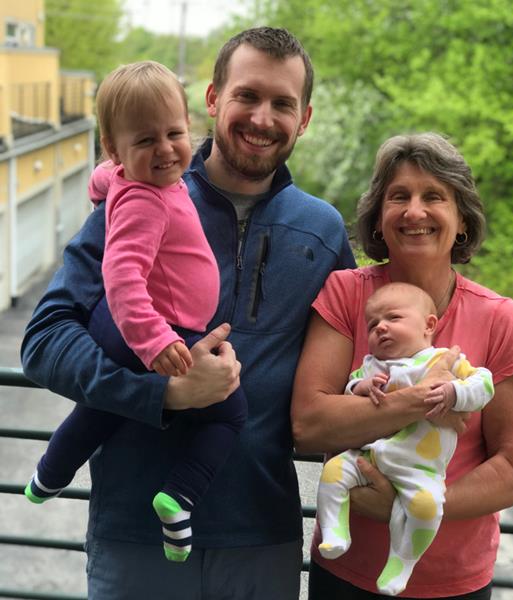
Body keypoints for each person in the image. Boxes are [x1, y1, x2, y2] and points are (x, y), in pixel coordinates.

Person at [20, 27, 356, 600]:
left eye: (282, 103)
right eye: (247, 95)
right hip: (134, 536)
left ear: (304, 119)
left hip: (262, 538)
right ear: (213, 99)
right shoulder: (138, 194)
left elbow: (359, 366)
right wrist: (162, 395)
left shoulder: (322, 231)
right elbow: (45, 342)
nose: (262, 117)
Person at [24, 60, 248, 564]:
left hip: (135, 328)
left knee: (101, 408)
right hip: (149, 327)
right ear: (114, 146)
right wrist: (155, 343)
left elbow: (106, 181)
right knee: (231, 413)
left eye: (174, 133)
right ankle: (180, 498)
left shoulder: (130, 181)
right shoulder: (147, 201)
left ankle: (49, 473)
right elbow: (122, 278)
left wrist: (106, 178)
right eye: (147, 141)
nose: (166, 149)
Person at [292, 131, 513, 599]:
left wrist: (408, 505)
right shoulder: (346, 294)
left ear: (462, 221)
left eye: (434, 196)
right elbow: (309, 424)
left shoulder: (502, 320)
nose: (414, 212)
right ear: (379, 219)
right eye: (399, 196)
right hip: (345, 576)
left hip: (455, 581)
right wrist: (418, 399)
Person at [317, 282, 494, 596]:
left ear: (429, 326)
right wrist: (362, 388)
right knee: (333, 473)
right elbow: (350, 388)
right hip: (370, 455)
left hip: (419, 467)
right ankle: (334, 530)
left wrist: (456, 393)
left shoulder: (444, 359)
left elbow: (484, 385)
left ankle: (402, 560)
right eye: (372, 325)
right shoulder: (372, 366)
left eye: (393, 318)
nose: (381, 327)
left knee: (426, 508)